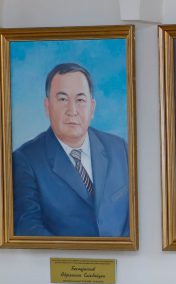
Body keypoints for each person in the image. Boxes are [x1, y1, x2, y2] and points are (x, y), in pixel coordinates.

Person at [13, 63, 130, 237]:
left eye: (80, 100)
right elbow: (28, 227)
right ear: (47, 107)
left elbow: (134, 216)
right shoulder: (25, 160)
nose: (72, 111)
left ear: (92, 107)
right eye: (62, 99)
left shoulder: (120, 148)